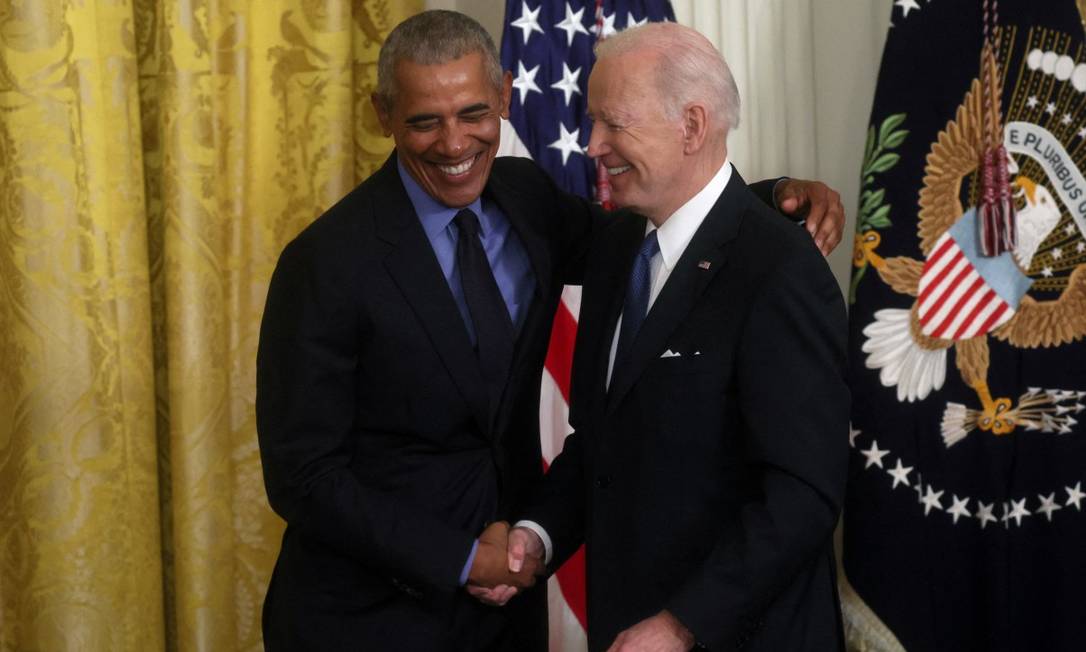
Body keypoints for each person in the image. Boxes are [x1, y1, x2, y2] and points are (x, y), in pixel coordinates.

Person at [255, 10, 844, 652]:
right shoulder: (323, 263)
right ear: (384, 115)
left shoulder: (527, 200)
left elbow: (697, 225)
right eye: (426, 120)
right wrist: (457, 556)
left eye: (474, 114)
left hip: (509, 617)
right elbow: (303, 475)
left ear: (506, 98)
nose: (454, 144)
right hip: (368, 618)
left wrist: (779, 195)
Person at [505, 21, 850, 652]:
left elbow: (802, 493)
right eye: (592, 121)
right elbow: (602, 447)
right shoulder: (614, 251)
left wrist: (683, 623)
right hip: (626, 628)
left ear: (692, 126)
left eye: (613, 123)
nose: (592, 145)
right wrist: (537, 532)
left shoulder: (778, 267)